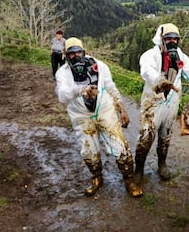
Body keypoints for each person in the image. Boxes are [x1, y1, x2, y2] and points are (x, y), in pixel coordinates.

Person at [54, 37, 143, 197]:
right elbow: (62, 96)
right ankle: (97, 178)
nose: (75, 56)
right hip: (81, 115)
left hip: (104, 110)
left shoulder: (99, 66)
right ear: (65, 55)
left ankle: (129, 180)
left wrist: (121, 108)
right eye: (71, 54)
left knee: (120, 146)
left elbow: (110, 86)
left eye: (78, 52)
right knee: (89, 149)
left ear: (84, 51)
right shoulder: (63, 73)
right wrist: (79, 90)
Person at [134, 23, 189, 183]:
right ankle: (138, 169)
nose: (172, 42)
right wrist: (159, 80)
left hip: (172, 101)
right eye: (168, 38)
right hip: (153, 101)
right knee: (146, 135)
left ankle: (162, 164)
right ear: (161, 39)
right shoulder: (150, 55)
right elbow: (147, 70)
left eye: (175, 39)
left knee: (166, 134)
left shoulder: (180, 56)